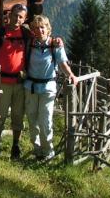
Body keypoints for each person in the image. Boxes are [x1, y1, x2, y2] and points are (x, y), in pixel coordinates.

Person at [24, 14, 78, 161]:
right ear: (33, 30)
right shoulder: (29, 44)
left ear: (48, 29)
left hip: (48, 87)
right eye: (36, 28)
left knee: (45, 120)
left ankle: (48, 151)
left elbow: (62, 64)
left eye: (43, 27)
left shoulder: (55, 45)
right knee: (32, 119)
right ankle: (37, 150)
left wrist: (71, 75)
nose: (40, 30)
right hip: (31, 87)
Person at [0, 3, 30, 160]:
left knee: (18, 116)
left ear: (24, 19)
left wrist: (56, 41)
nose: (16, 19)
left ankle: (15, 146)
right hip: (1, 82)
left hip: (19, 83)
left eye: (20, 17)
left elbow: (43, 39)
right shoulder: (0, 33)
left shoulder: (26, 35)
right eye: (15, 15)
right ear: (9, 15)